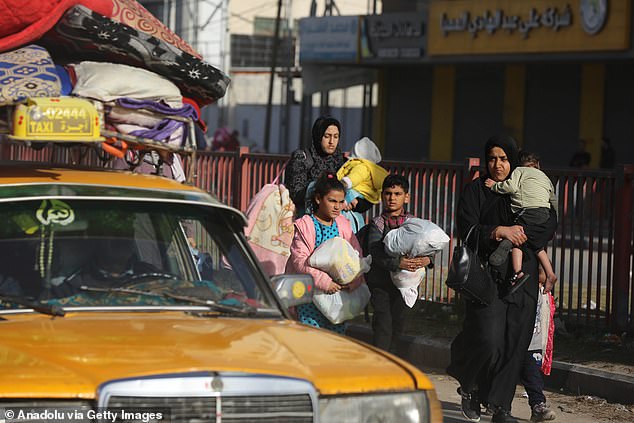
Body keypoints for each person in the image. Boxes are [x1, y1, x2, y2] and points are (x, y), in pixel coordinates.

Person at [447, 135, 556, 423]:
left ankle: (500, 407)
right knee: (489, 338)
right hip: (488, 276)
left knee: (514, 342)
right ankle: (469, 385)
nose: (498, 165)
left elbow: (548, 222)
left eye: (504, 159)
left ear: (513, 160)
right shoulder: (477, 191)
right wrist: (499, 231)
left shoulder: (526, 185)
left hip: (524, 276)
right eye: (492, 159)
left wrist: (526, 236)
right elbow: (467, 229)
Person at [285, 172, 366, 333]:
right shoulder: (306, 226)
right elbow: (299, 261)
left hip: (338, 297)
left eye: (341, 202)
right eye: (332, 201)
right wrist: (324, 282)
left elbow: (356, 256)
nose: (337, 206)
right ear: (318, 199)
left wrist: (354, 280)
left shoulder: (344, 225)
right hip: (308, 297)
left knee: (334, 341)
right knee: (312, 340)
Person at [365, 174, 432, 352]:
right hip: (380, 283)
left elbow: (427, 246)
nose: (392, 198)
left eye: (397, 193)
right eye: (388, 193)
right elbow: (376, 252)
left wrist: (428, 260)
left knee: (399, 322)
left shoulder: (413, 223)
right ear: (381, 196)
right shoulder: (377, 224)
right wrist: (398, 263)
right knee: (383, 323)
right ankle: (380, 364)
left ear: (407, 197)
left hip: (404, 284)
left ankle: (395, 365)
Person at [485, 150, 558, 295]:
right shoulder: (544, 176)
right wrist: (555, 217)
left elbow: (511, 187)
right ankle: (550, 274)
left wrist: (494, 186)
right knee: (537, 245)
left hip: (527, 211)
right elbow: (553, 198)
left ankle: (517, 273)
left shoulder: (519, 170)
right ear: (537, 164)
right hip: (545, 213)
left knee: (516, 237)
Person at [284, 116, 345, 217]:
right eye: (327, 136)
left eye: (336, 136)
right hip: (306, 219)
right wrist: (318, 188)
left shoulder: (339, 160)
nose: (331, 141)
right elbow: (295, 194)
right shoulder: (301, 158)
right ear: (318, 136)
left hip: (334, 220)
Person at [337, 136, 389, 214]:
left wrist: (346, 182)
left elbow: (357, 176)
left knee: (347, 194)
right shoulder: (371, 169)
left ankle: (341, 205)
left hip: (354, 191)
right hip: (365, 195)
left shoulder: (362, 166)